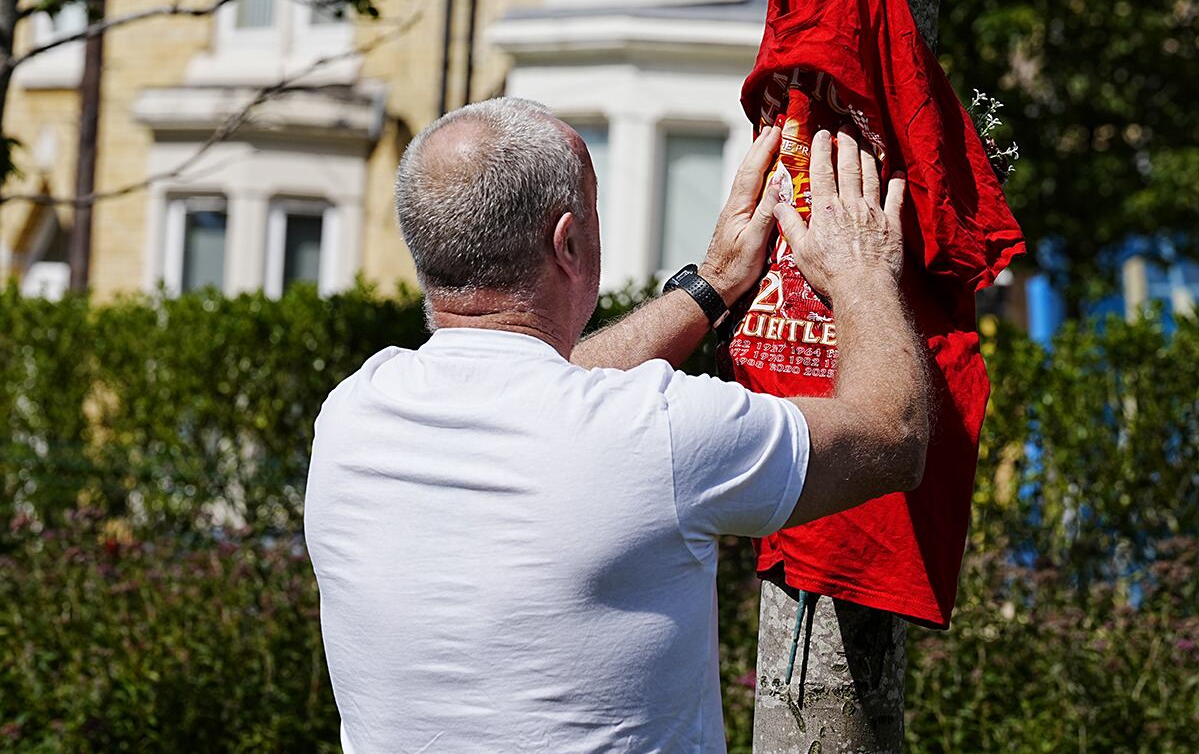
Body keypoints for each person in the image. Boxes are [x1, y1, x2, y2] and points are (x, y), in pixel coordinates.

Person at [304, 96, 932, 753]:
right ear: (568, 241)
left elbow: (544, 382)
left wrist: (710, 287)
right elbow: (892, 433)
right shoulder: (656, 432)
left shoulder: (353, 414)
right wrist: (861, 271)